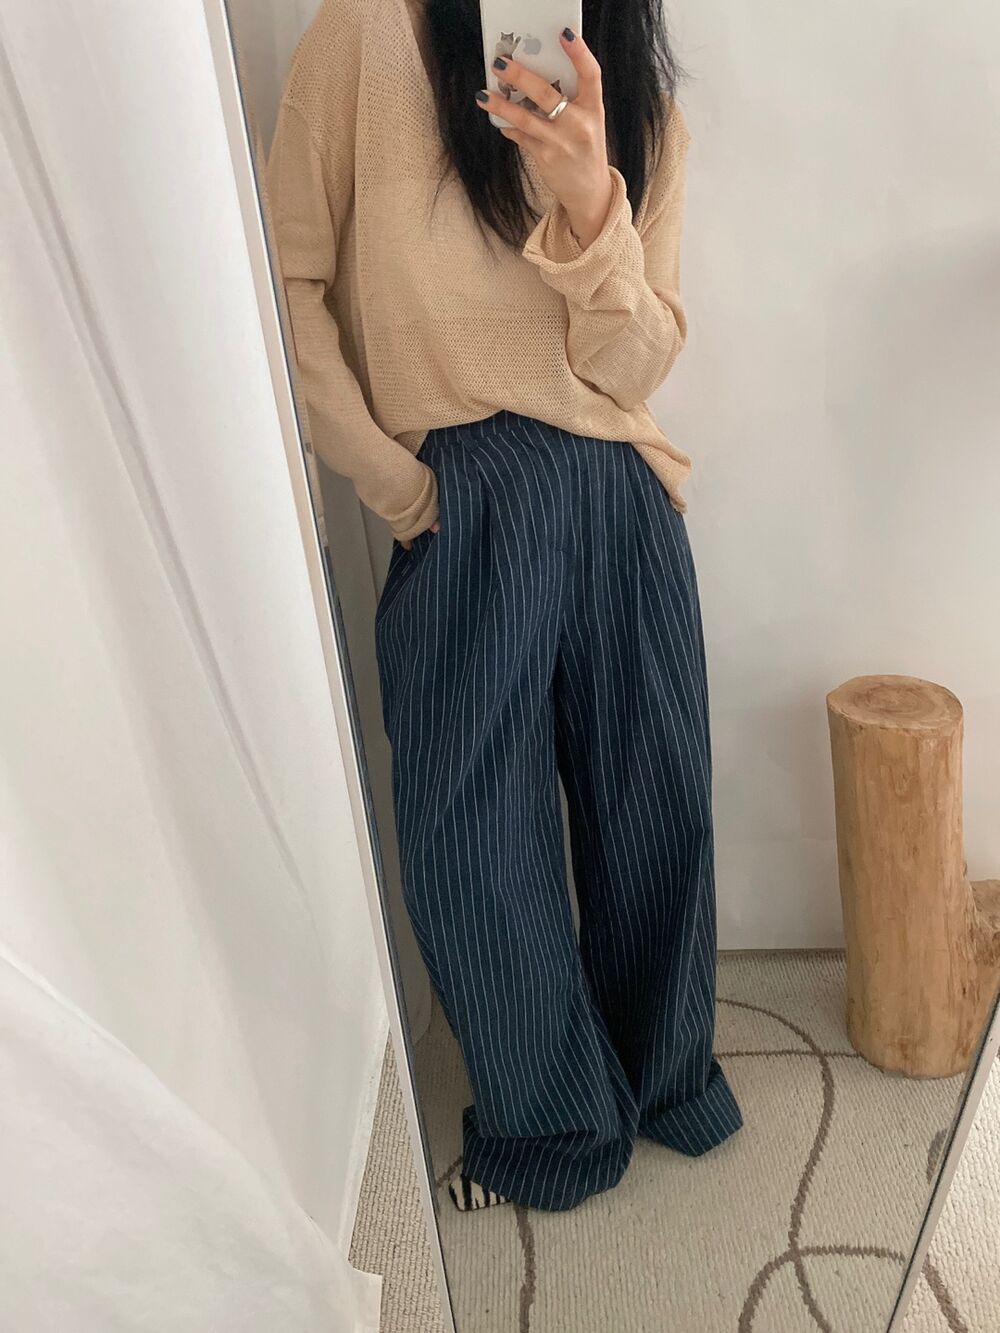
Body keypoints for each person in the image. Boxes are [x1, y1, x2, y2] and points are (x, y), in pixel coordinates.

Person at [265, 0, 743, 1214]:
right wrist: (396, 485)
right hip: (461, 485)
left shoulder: (638, 98)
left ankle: (666, 1076)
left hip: (619, 487)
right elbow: (284, 281)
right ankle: (549, 1122)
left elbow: (637, 364)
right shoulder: (364, 35)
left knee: (655, 803)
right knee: (473, 837)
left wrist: (588, 202)